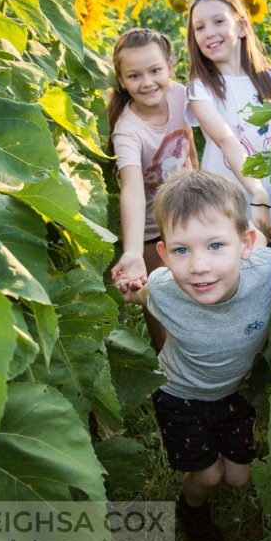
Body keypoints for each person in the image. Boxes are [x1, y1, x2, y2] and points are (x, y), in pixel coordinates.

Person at [118, 170, 271, 541]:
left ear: (246, 244)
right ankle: (191, 510)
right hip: (180, 395)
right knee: (206, 477)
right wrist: (130, 289)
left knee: (239, 478)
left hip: (237, 390)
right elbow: (137, 298)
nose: (199, 266)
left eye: (215, 246)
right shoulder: (163, 288)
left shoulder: (268, 273)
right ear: (163, 254)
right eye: (182, 250)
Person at [107, 28, 198, 352]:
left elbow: (188, 148)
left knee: (198, 298)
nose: (146, 82)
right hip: (150, 232)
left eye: (155, 71)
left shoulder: (178, 95)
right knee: (161, 311)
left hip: (189, 217)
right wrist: (132, 250)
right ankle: (169, 384)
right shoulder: (128, 130)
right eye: (134, 75)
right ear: (121, 80)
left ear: (170, 67)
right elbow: (131, 187)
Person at [185, 0, 271, 245]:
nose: (209, 32)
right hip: (224, 212)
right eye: (199, 27)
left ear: (242, 27)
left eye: (219, 21)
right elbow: (226, 139)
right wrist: (257, 191)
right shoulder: (201, 88)